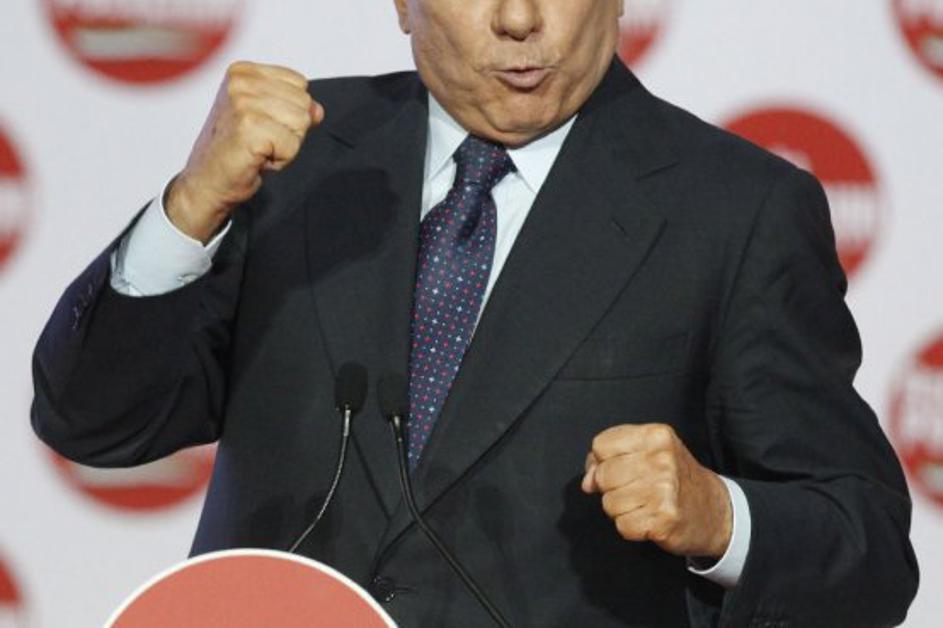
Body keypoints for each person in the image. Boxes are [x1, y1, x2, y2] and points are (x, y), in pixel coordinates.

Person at [31, 1, 918, 626]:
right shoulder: (297, 158)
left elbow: (869, 551)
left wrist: (721, 518)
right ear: (401, 5)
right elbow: (91, 421)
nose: (519, 19)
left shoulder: (734, 210)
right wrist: (191, 206)